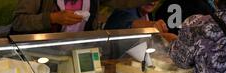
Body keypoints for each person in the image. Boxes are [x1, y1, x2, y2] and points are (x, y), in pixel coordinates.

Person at [11, 0, 152, 34]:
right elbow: (19, 22)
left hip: (76, 58)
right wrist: (53, 18)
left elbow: (122, 2)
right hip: (38, 60)